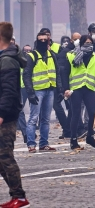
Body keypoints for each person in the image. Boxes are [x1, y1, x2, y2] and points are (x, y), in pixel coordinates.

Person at [0, 22, 30, 208]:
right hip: (5, 113)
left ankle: (19, 196)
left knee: (5, 156)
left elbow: (9, 90)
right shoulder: (6, 57)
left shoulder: (7, 60)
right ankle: (16, 196)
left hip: (6, 116)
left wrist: (2, 113)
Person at [22, 31, 62, 153]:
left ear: (49, 41)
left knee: (45, 119)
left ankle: (44, 143)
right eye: (41, 40)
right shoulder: (32, 56)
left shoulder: (52, 55)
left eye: (46, 40)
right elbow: (26, 75)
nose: (43, 42)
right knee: (33, 118)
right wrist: (30, 93)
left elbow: (57, 73)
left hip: (50, 90)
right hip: (37, 91)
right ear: (37, 41)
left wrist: (59, 90)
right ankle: (31, 144)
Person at [62, 35, 95, 150]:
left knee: (92, 112)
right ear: (81, 44)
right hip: (76, 88)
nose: (88, 45)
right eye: (86, 43)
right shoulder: (71, 55)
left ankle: (90, 135)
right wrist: (65, 88)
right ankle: (73, 139)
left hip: (89, 87)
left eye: (90, 43)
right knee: (76, 114)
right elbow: (64, 73)